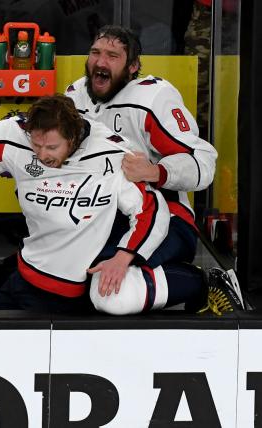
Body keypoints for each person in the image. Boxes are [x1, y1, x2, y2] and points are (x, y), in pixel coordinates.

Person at [0, 95, 221, 315]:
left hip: (74, 299)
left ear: (72, 138)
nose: (42, 154)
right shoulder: (12, 137)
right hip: (24, 279)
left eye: (52, 148)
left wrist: (123, 257)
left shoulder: (114, 153)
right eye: (37, 144)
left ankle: (194, 282)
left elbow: (151, 211)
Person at [65, 25, 242, 312]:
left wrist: (155, 171)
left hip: (165, 217)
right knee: (64, 279)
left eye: (112, 56)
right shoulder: (74, 96)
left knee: (109, 293)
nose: (100, 62)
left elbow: (203, 162)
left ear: (133, 66)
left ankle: (203, 282)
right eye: (96, 53)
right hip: (102, 216)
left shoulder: (152, 98)